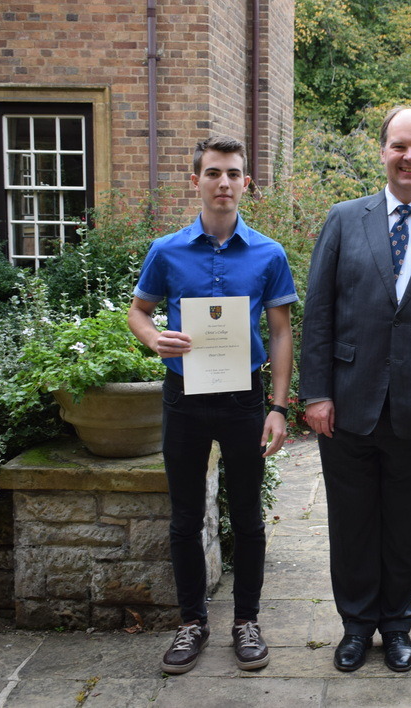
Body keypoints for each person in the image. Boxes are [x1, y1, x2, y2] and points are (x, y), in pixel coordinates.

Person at [299, 105, 411, 673]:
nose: (409, 157)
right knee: (352, 523)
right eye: (399, 146)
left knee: (407, 525)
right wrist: (317, 394)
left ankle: (397, 623)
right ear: (382, 151)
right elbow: (319, 314)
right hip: (347, 404)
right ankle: (356, 626)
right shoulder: (344, 220)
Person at [127, 135, 297, 675]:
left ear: (247, 182)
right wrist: (154, 339)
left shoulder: (268, 253)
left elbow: (281, 331)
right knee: (184, 516)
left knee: (247, 516)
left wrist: (278, 406)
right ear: (195, 180)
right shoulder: (166, 250)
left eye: (233, 174)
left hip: (244, 399)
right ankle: (190, 623)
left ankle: (246, 621)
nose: (224, 183)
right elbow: (138, 312)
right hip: (184, 397)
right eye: (213, 173)